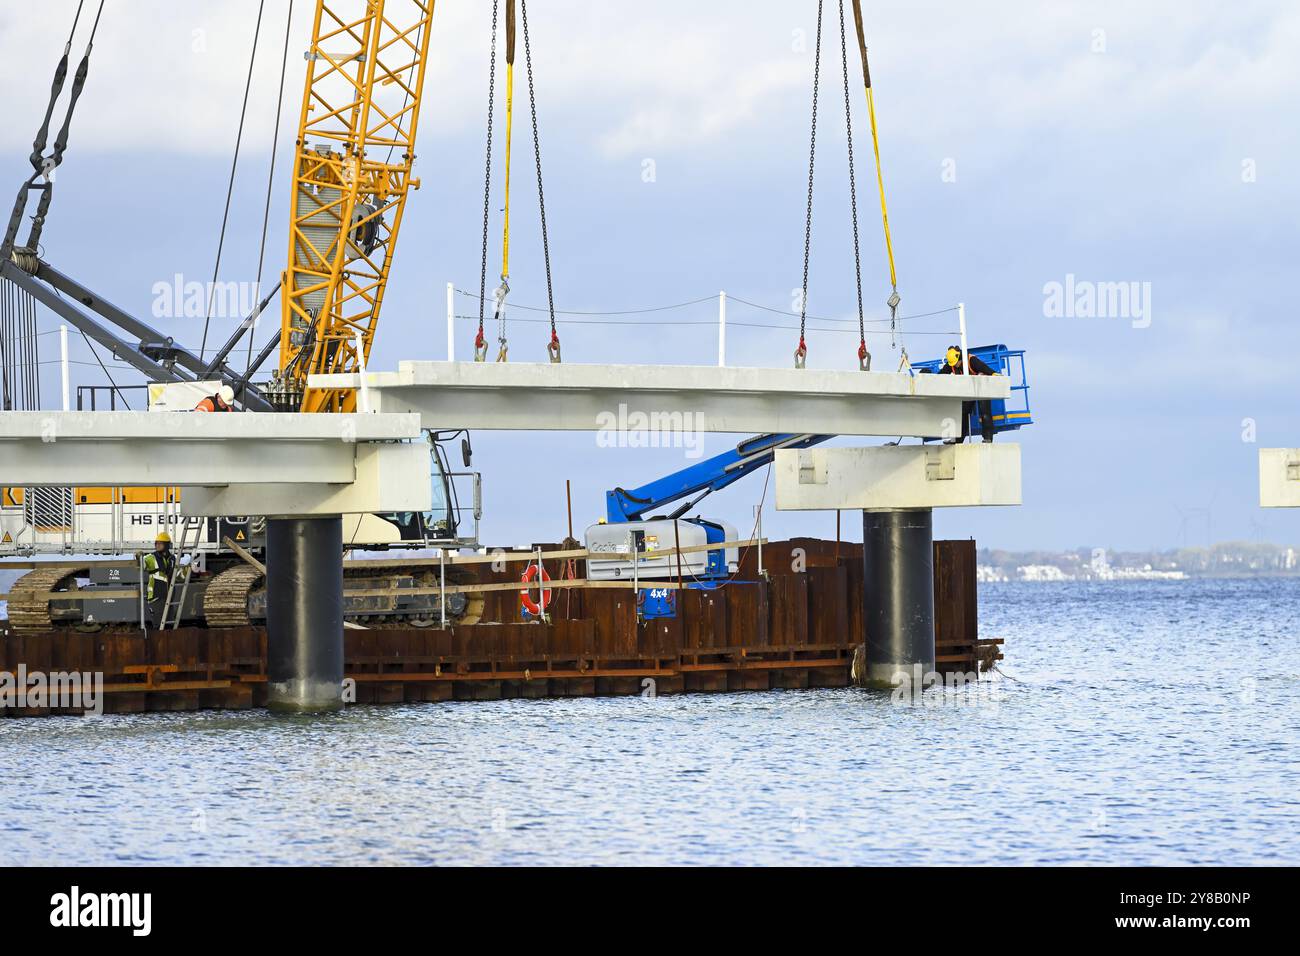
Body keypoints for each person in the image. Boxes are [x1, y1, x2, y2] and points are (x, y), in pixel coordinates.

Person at [938, 345, 997, 443]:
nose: (955, 365)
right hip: (968, 390)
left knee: (985, 412)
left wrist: (995, 375)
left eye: (957, 363)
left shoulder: (972, 360)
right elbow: (941, 374)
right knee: (962, 413)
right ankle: (958, 439)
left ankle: (988, 437)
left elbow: (987, 370)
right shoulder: (951, 364)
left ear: (960, 357)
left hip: (982, 388)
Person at [142, 531, 176, 626]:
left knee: (169, 624)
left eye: (160, 543)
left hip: (169, 596)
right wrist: (138, 557)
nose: (157, 545)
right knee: (158, 624)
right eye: (156, 543)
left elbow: (176, 574)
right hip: (156, 596)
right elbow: (142, 564)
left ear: (166, 545)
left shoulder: (172, 558)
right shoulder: (151, 557)